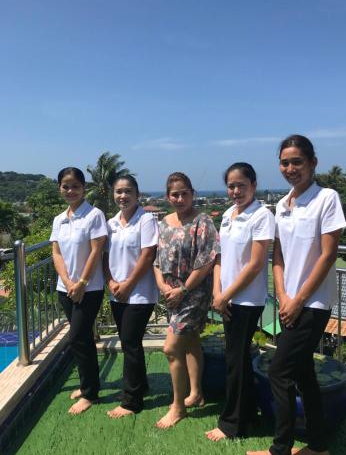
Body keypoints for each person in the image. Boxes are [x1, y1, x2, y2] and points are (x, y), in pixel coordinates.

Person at [247, 135, 346, 455]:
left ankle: (280, 452)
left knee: (279, 372)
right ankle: (317, 445)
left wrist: (300, 298)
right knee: (303, 373)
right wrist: (285, 297)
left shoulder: (326, 198)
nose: (290, 168)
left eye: (297, 162)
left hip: (314, 304)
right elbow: (278, 257)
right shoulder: (283, 204)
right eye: (285, 162)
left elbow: (328, 253)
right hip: (290, 302)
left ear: (312, 163)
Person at [205, 162, 275, 441]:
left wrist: (226, 295)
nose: (235, 191)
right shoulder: (227, 214)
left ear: (254, 185)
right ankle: (246, 414)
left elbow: (256, 264)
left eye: (241, 185)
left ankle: (232, 424)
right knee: (238, 359)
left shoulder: (261, 215)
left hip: (246, 300)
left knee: (236, 360)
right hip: (227, 298)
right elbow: (220, 258)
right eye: (231, 186)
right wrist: (216, 290)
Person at [154, 172, 220, 428]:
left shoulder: (202, 222)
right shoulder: (163, 222)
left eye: (184, 193)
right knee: (191, 341)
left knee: (171, 348)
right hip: (171, 294)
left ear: (193, 193)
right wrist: (162, 285)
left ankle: (177, 406)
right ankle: (196, 392)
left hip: (193, 293)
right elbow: (157, 259)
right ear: (167, 196)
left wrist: (182, 289)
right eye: (174, 194)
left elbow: (206, 262)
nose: (180, 198)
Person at [50, 167, 107, 414]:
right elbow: (56, 252)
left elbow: (96, 251)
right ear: (60, 188)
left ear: (84, 187)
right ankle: (88, 386)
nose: (70, 190)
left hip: (90, 289)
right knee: (81, 339)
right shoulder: (59, 219)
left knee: (77, 337)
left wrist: (82, 282)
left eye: (75, 186)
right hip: (66, 289)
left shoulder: (94, 215)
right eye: (65, 186)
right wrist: (68, 281)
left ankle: (90, 393)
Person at [103, 175, 159, 418]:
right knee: (129, 342)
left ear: (137, 194)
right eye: (118, 191)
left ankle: (131, 401)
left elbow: (148, 255)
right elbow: (104, 257)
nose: (122, 196)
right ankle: (140, 386)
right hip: (117, 294)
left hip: (140, 294)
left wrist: (128, 284)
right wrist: (112, 282)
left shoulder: (145, 220)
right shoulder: (111, 222)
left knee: (130, 343)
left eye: (127, 191)